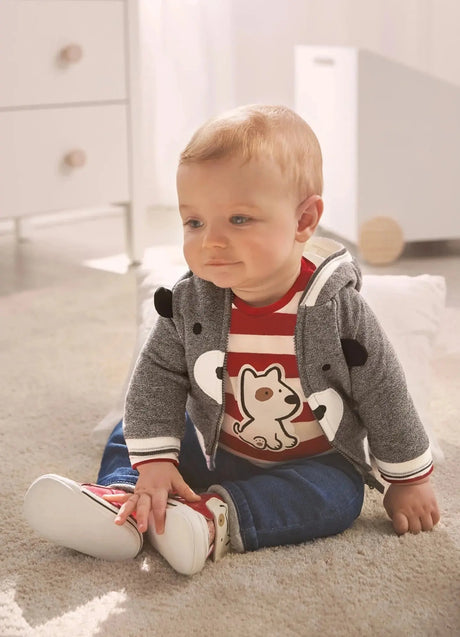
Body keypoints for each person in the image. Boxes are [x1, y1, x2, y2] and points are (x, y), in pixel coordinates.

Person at [24, 104, 440, 576]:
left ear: (304, 220)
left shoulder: (337, 310)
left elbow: (383, 390)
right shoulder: (190, 301)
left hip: (310, 461)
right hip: (212, 450)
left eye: (239, 219)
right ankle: (123, 500)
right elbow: (158, 375)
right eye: (195, 222)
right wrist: (156, 462)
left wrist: (409, 479)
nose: (211, 242)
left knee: (339, 498)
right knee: (136, 429)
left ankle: (211, 519)